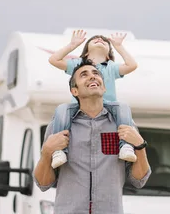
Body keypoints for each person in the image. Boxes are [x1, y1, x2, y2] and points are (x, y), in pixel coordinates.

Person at [33, 59, 151, 213]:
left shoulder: (124, 125)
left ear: (103, 86)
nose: (92, 76)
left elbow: (139, 181)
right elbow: (43, 184)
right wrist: (47, 152)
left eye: (96, 73)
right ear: (75, 91)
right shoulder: (58, 127)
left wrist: (140, 146)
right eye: (84, 75)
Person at [47, 30, 139, 168]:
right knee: (62, 109)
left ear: (108, 54)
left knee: (123, 107)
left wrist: (119, 46)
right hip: (79, 105)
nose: (100, 40)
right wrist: (72, 45)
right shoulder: (78, 64)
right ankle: (59, 151)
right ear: (85, 52)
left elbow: (132, 65)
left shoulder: (111, 67)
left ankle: (125, 146)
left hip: (108, 105)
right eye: (95, 39)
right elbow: (53, 60)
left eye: (104, 41)